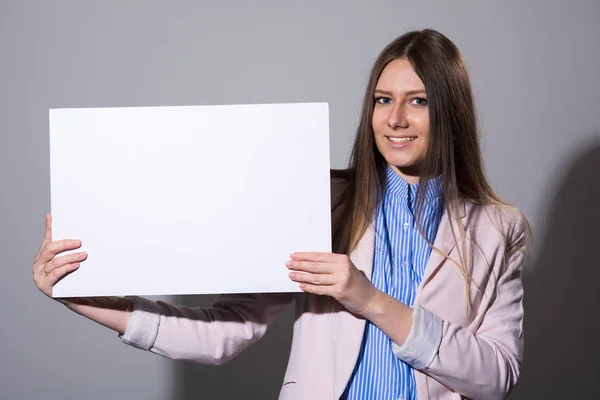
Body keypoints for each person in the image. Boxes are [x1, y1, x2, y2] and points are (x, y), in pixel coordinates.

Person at [32, 29, 530, 400]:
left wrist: (368, 298)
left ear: (449, 111)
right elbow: (225, 332)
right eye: (383, 100)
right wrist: (83, 298)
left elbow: (496, 375)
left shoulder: (497, 228)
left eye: (417, 101)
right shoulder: (320, 200)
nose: (395, 118)